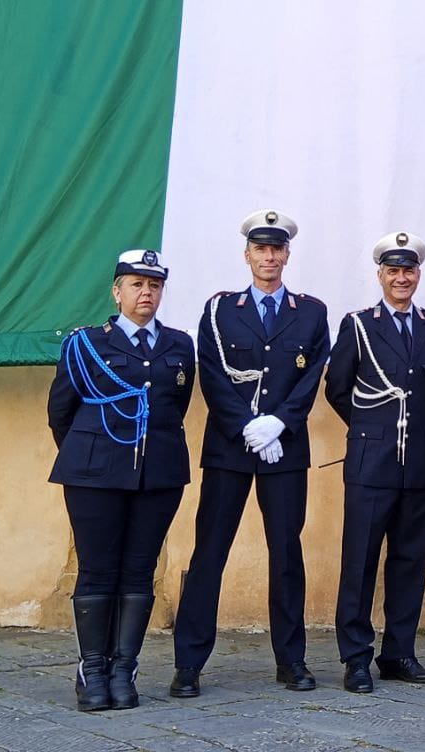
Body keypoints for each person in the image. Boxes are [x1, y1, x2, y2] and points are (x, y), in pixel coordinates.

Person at [170, 210, 330, 697]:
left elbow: (312, 372)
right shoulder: (220, 310)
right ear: (247, 255)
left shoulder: (312, 311)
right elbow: (212, 374)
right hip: (229, 448)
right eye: (260, 249)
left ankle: (291, 660)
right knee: (209, 554)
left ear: (287, 254)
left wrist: (279, 422)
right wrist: (248, 426)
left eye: (276, 249)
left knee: (286, 554)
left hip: (286, 449)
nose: (269, 257)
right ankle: (189, 664)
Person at [47, 249, 195, 711]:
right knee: (97, 569)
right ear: (117, 291)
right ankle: (91, 670)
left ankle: (122, 667)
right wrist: (93, 455)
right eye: (135, 284)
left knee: (138, 570)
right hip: (94, 472)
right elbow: (61, 413)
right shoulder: (86, 343)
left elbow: (176, 405)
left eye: (153, 285)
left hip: (158, 473)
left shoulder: (179, 344)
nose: (145, 292)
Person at [324, 232, 425, 693]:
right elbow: (338, 387)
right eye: (393, 271)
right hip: (371, 462)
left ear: (418, 275)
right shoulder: (358, 324)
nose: (402, 278)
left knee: (410, 560)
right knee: (359, 561)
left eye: (409, 270)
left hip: (417, 458)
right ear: (380, 275)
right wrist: (371, 428)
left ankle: (399, 652)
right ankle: (356, 657)